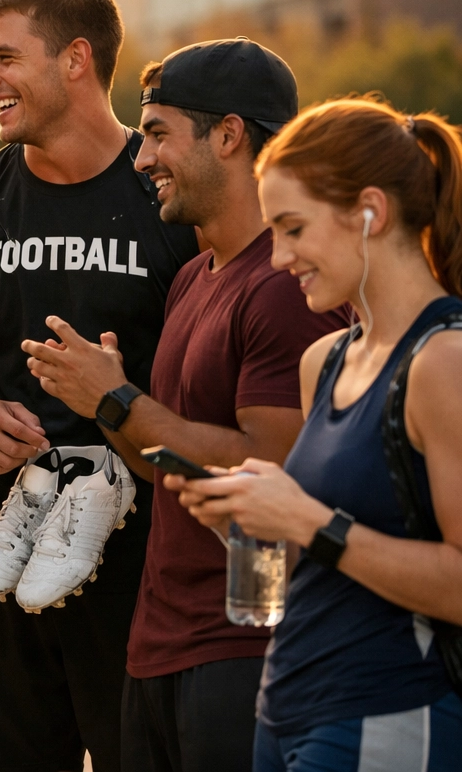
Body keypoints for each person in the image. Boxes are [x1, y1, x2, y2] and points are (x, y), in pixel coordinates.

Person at [20, 39, 348, 772]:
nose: (141, 159)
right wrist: (110, 406)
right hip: (159, 649)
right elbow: (160, 460)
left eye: (160, 133)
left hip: (243, 652)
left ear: (228, 135)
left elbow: (274, 467)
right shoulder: (195, 277)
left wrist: (114, 395)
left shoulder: (285, 286)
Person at [0, 0, 199, 772]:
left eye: (4, 57)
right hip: (1, 560)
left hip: (145, 571)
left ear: (75, 59)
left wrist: (118, 402)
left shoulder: (173, 193)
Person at [174, 98, 462, 772]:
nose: (277, 258)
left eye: (293, 229)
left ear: (370, 212)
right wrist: (250, 517)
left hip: (389, 710)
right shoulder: (324, 360)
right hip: (288, 708)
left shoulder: (443, 361)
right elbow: (325, 550)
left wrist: (307, 518)